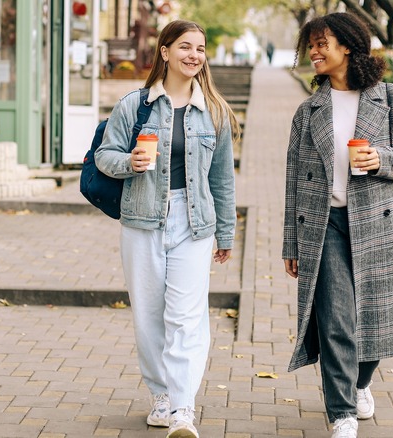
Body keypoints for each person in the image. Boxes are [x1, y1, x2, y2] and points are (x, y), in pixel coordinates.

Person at [282, 12, 393, 438]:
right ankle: (342, 413)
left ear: (347, 45)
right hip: (324, 225)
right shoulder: (308, 111)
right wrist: (292, 243)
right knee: (336, 320)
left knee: (376, 317)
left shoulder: (391, 98)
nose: (314, 52)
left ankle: (362, 382)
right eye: (310, 45)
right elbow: (293, 179)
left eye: (322, 43)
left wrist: (382, 159)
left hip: (378, 225)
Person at [95, 19, 241, 438]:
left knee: (187, 317)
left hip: (194, 223)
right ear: (164, 51)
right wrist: (129, 164)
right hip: (142, 220)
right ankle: (160, 394)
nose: (194, 55)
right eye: (185, 46)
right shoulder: (135, 105)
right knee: (148, 316)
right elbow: (105, 154)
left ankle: (182, 407)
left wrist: (226, 233)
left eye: (200, 48)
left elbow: (222, 180)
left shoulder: (215, 110)